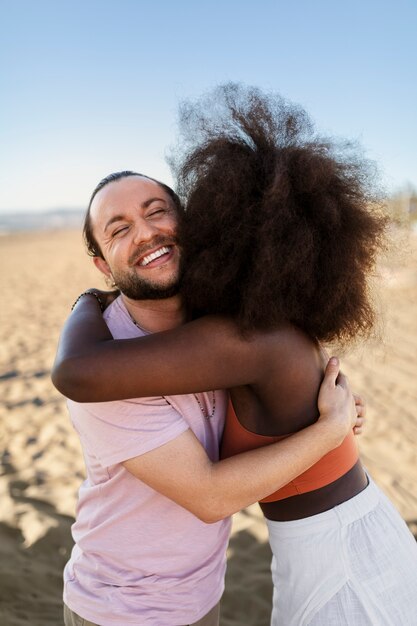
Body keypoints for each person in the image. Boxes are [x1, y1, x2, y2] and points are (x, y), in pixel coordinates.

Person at [52, 83, 417, 625]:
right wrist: (327, 428)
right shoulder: (161, 350)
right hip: (126, 608)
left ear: (205, 226)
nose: (148, 232)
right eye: (120, 229)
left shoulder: (240, 335)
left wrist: (332, 422)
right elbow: (209, 493)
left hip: (306, 572)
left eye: (158, 212)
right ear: (103, 264)